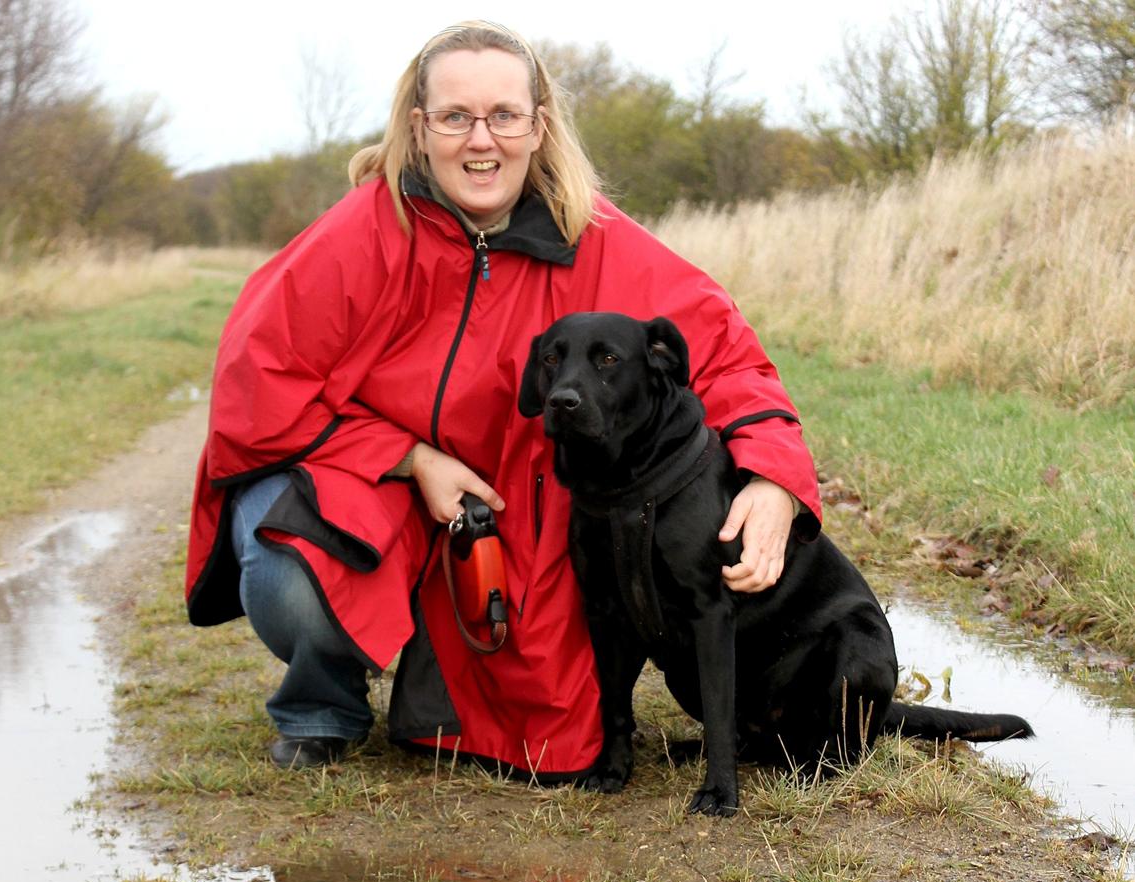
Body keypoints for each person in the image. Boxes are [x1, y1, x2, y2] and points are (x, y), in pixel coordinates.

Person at [185, 20, 822, 774]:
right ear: (419, 128)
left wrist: (776, 478)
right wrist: (407, 457)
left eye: (503, 117)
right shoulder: (360, 232)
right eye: (455, 117)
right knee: (284, 562)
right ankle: (322, 704)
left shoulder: (602, 241)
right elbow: (256, 387)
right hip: (379, 488)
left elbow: (730, 359)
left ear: (538, 125)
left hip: (518, 521)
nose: (480, 141)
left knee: (556, 739)